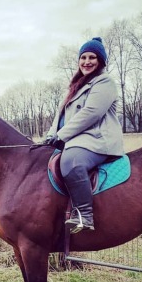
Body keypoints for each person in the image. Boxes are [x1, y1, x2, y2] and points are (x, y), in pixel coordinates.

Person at [45, 37, 124, 233]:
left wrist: (62, 135)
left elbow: (91, 113)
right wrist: (50, 136)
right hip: (77, 140)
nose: (87, 61)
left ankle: (84, 214)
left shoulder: (104, 82)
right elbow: (60, 116)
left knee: (71, 162)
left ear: (101, 61)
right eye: (83, 57)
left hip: (97, 140)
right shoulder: (76, 85)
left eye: (92, 57)